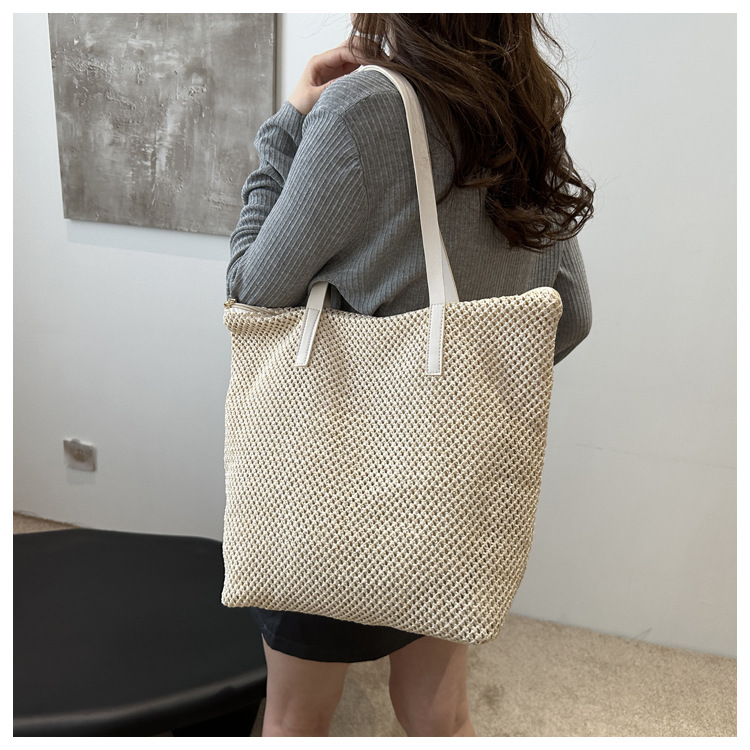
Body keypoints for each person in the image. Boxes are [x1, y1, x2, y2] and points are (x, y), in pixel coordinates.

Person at [226, 13, 594, 737]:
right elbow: (571, 314)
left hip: (325, 496)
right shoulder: (525, 116)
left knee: (297, 717)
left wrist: (288, 122)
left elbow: (251, 285)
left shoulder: (362, 107)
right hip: (450, 495)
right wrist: (465, 388)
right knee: (439, 713)